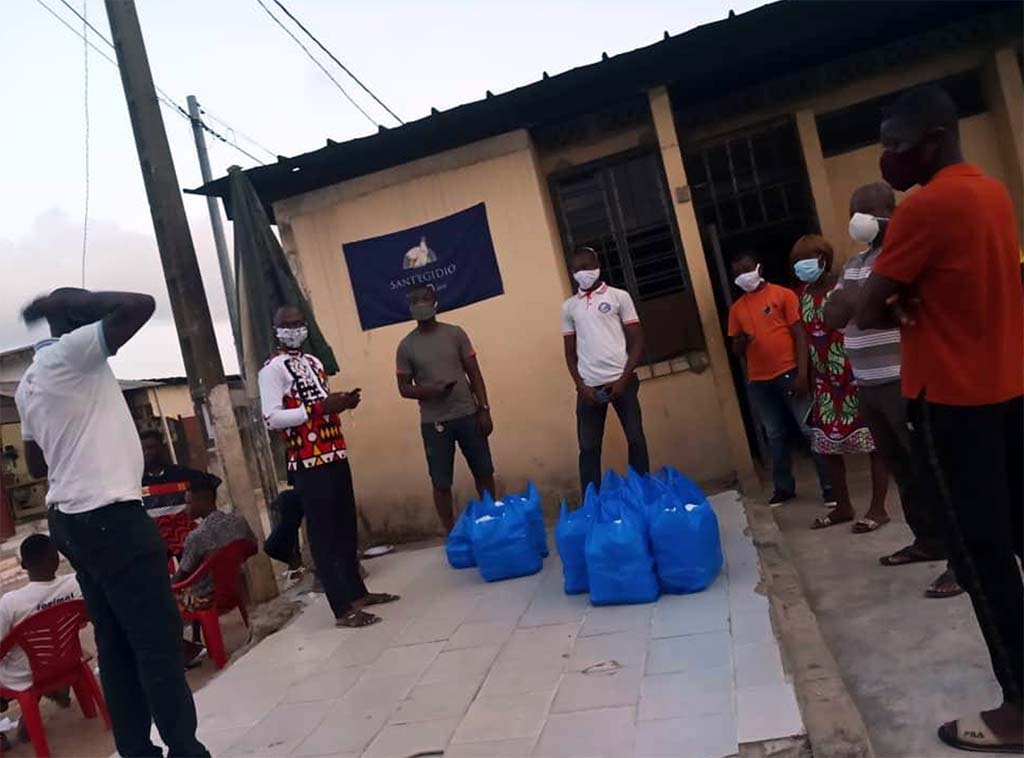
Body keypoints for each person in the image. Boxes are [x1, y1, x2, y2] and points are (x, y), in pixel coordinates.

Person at [857, 85, 1023, 753]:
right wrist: (905, 296)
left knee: (981, 556)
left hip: (955, 404)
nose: (888, 159)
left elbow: (865, 305)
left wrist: (887, 298)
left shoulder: (926, 208)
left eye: (896, 145)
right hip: (1008, 388)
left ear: (934, 135)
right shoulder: (991, 193)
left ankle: (1019, 707)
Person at [14, 287, 208, 757]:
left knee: (117, 646)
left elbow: (38, 465)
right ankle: (187, 751)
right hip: (110, 517)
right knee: (158, 644)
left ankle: (137, 751)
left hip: (71, 520)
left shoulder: (29, 381)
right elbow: (141, 305)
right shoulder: (75, 352)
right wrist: (81, 300)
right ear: (83, 319)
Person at [824, 182, 960, 598]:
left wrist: (858, 301)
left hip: (905, 378)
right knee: (902, 467)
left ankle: (962, 560)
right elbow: (834, 313)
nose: (856, 219)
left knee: (934, 469)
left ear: (889, 212)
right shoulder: (855, 263)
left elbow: (866, 309)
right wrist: (858, 299)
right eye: (852, 210)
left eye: (864, 209)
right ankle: (928, 540)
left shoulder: (903, 257)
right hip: (867, 382)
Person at [258, 305, 397, 628]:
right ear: (276, 329)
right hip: (307, 459)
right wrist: (319, 408)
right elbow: (272, 417)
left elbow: (320, 400)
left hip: (334, 451)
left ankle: (357, 593)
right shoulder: (272, 370)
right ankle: (341, 607)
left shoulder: (314, 363)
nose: (294, 329)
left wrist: (342, 402)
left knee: (345, 525)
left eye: (299, 324)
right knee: (323, 534)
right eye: (287, 325)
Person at [789, 235, 888, 532]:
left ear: (823, 258)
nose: (800, 267)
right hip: (825, 382)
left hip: (853, 373)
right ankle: (843, 506)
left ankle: (878, 508)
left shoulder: (843, 287)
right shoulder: (804, 295)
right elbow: (805, 334)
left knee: (874, 442)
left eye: (805, 261)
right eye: (796, 263)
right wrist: (805, 373)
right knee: (826, 444)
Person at [727, 253, 832, 506]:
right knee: (774, 434)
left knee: (809, 429)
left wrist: (803, 373)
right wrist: (741, 343)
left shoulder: (783, 295)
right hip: (759, 380)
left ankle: (830, 486)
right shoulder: (737, 309)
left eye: (746, 268)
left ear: (758, 267)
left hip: (790, 373)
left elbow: (799, 334)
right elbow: (735, 350)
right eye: (738, 272)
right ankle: (784, 488)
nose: (743, 274)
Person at [396, 285, 496, 532]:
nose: (421, 304)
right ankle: (451, 532)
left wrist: (484, 409)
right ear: (410, 307)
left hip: (468, 415)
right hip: (434, 423)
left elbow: (475, 374)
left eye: (426, 299)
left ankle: (493, 521)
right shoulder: (406, 346)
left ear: (435, 301)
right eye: (416, 301)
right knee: (441, 482)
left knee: (483, 472)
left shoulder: (455, 334)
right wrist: (431, 391)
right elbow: (404, 388)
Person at [561, 246, 650, 493]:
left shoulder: (618, 297)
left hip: (623, 382)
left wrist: (624, 379)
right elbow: (569, 352)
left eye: (587, 266)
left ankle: (641, 494)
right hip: (589, 388)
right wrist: (581, 385)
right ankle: (592, 503)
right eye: (577, 269)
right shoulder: (569, 307)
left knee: (635, 439)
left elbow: (637, 341)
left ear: (598, 265)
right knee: (588, 449)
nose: (583, 272)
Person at [0, 534, 79, 738]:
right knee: (45, 651)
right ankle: (51, 694)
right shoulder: (75, 584)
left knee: (18, 660)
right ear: (56, 559)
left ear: (24, 565)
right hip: (67, 661)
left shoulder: (11, 603)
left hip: (22, 675)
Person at [171, 472, 255, 610]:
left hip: (204, 599)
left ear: (202, 500)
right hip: (238, 589)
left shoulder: (196, 536)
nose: (185, 509)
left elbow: (181, 576)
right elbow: (253, 548)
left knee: (160, 602)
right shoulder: (238, 521)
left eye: (188, 503)